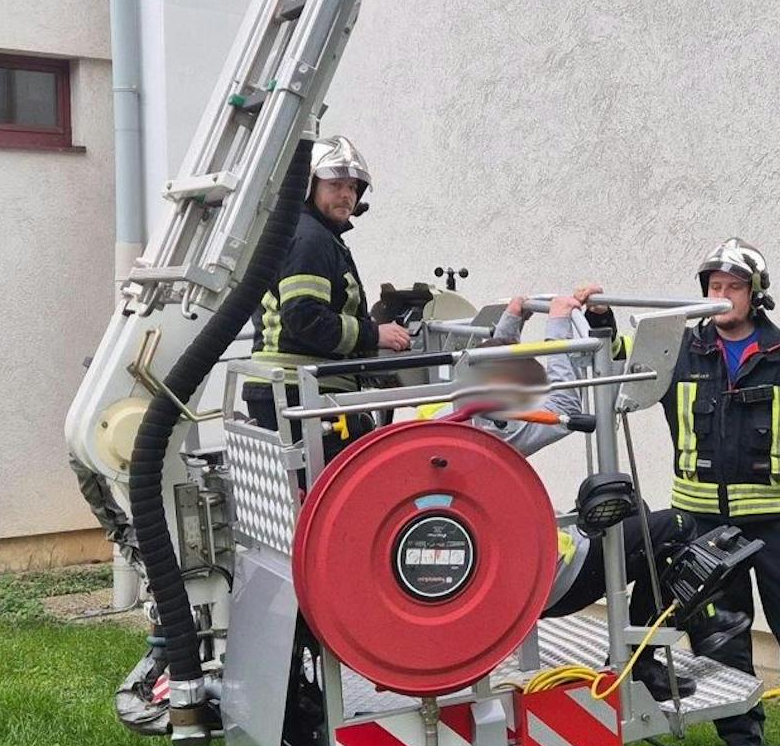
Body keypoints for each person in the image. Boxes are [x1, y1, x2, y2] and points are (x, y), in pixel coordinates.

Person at [423, 284, 750, 701]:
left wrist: (513, 320)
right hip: (551, 581)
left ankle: (660, 643)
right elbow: (566, 408)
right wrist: (558, 323)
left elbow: (485, 370)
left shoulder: (443, 423)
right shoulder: (495, 433)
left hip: (521, 578)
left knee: (634, 509)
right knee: (677, 527)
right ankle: (652, 654)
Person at [647, 238, 780, 746]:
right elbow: (623, 367)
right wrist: (596, 319)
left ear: (755, 295)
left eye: (733, 287)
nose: (721, 295)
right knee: (723, 632)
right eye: (714, 286)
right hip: (704, 522)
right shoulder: (681, 351)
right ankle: (742, 735)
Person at [242, 135, 410, 450]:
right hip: (300, 392)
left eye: (352, 187)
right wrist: (374, 334)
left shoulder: (310, 233)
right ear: (310, 186)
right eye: (335, 185)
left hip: (292, 391)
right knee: (350, 488)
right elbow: (304, 318)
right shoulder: (311, 239)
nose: (346, 194)